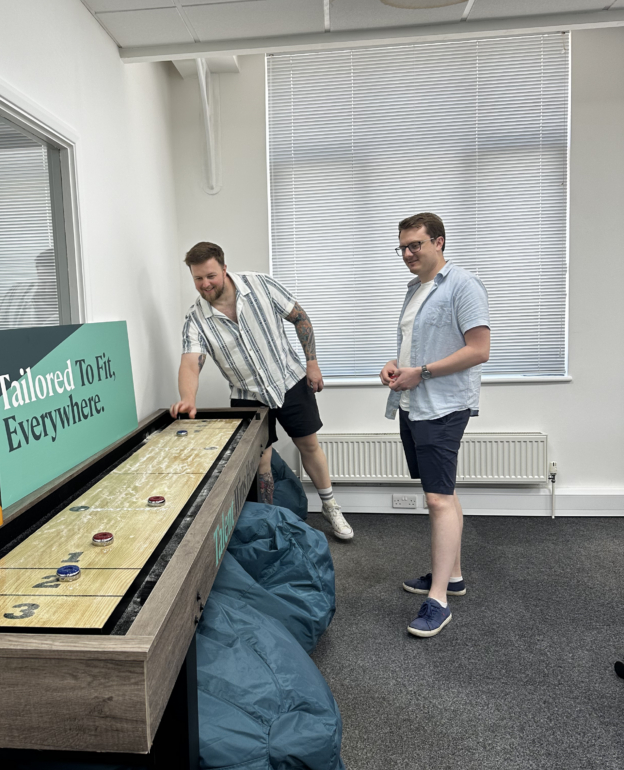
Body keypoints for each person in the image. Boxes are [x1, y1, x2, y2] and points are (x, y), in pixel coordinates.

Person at [171, 241, 353, 541]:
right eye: (198, 278)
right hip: (247, 396)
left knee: (309, 446)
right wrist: (188, 399)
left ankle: (330, 506)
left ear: (224, 268)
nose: (205, 284)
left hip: (290, 381)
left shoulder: (261, 285)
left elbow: (300, 317)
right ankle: (269, 521)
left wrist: (312, 363)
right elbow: (191, 363)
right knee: (260, 462)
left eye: (211, 276)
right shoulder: (196, 319)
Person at [380, 213, 490, 638]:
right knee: (444, 492)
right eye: (402, 247)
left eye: (416, 245)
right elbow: (418, 347)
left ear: (439, 242)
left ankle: (439, 600)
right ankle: (453, 576)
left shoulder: (463, 285)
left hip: (442, 406)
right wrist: (396, 365)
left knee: (437, 499)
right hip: (413, 403)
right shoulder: (415, 289)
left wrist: (421, 372)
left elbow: (479, 350)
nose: (408, 253)